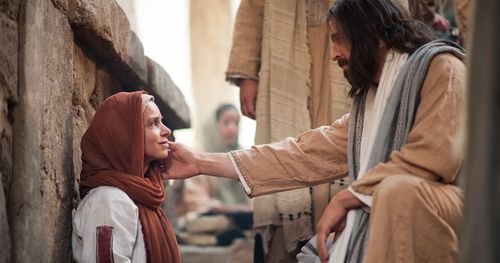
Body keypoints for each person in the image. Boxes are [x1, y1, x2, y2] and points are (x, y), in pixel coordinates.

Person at [164, 0, 466, 262]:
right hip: (400, 206)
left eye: (338, 39)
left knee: (397, 193)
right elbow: (300, 153)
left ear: (370, 32)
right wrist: (200, 163)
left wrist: (351, 196)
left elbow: (432, 158)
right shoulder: (368, 109)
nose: (333, 53)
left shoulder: (442, 68)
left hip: (466, 213)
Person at [225, 0, 352, 261]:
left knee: (343, 144)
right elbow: (252, 5)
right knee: (287, 146)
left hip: (348, 44)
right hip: (284, 45)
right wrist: (247, 72)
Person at [72, 91, 181, 262]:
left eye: (162, 122)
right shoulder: (107, 201)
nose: (166, 131)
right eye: (154, 123)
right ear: (125, 136)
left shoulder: (144, 197)